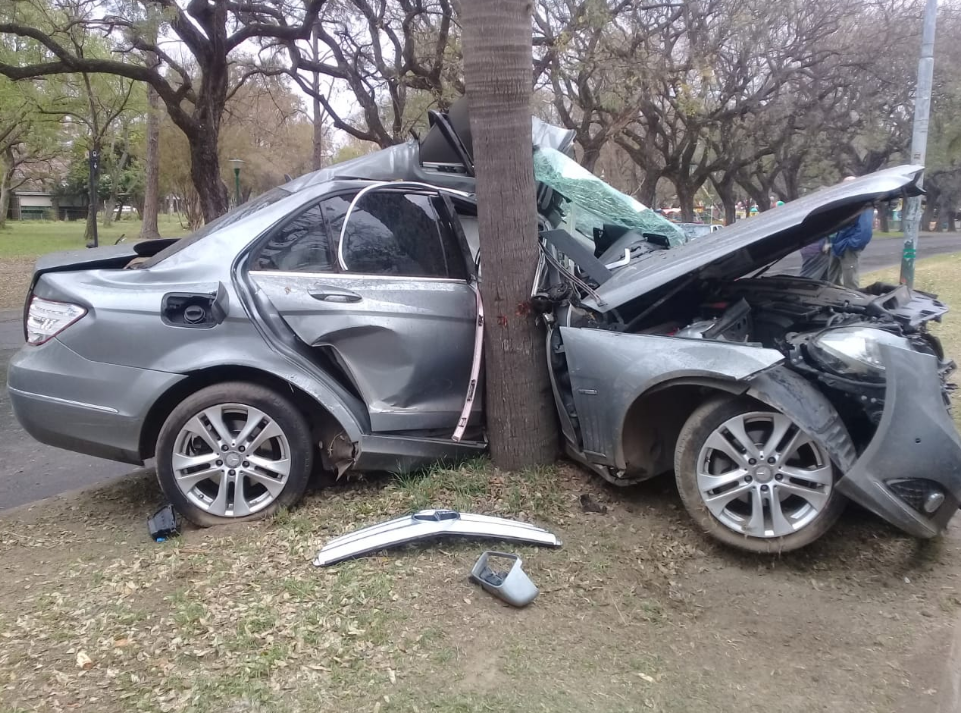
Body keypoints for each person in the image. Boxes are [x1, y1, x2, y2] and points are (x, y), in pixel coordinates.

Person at [828, 205, 874, 289]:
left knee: (850, 285)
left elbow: (865, 232)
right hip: (836, 246)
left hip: (847, 247)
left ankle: (853, 301)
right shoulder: (847, 202)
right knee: (831, 282)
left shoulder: (865, 205)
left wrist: (850, 245)